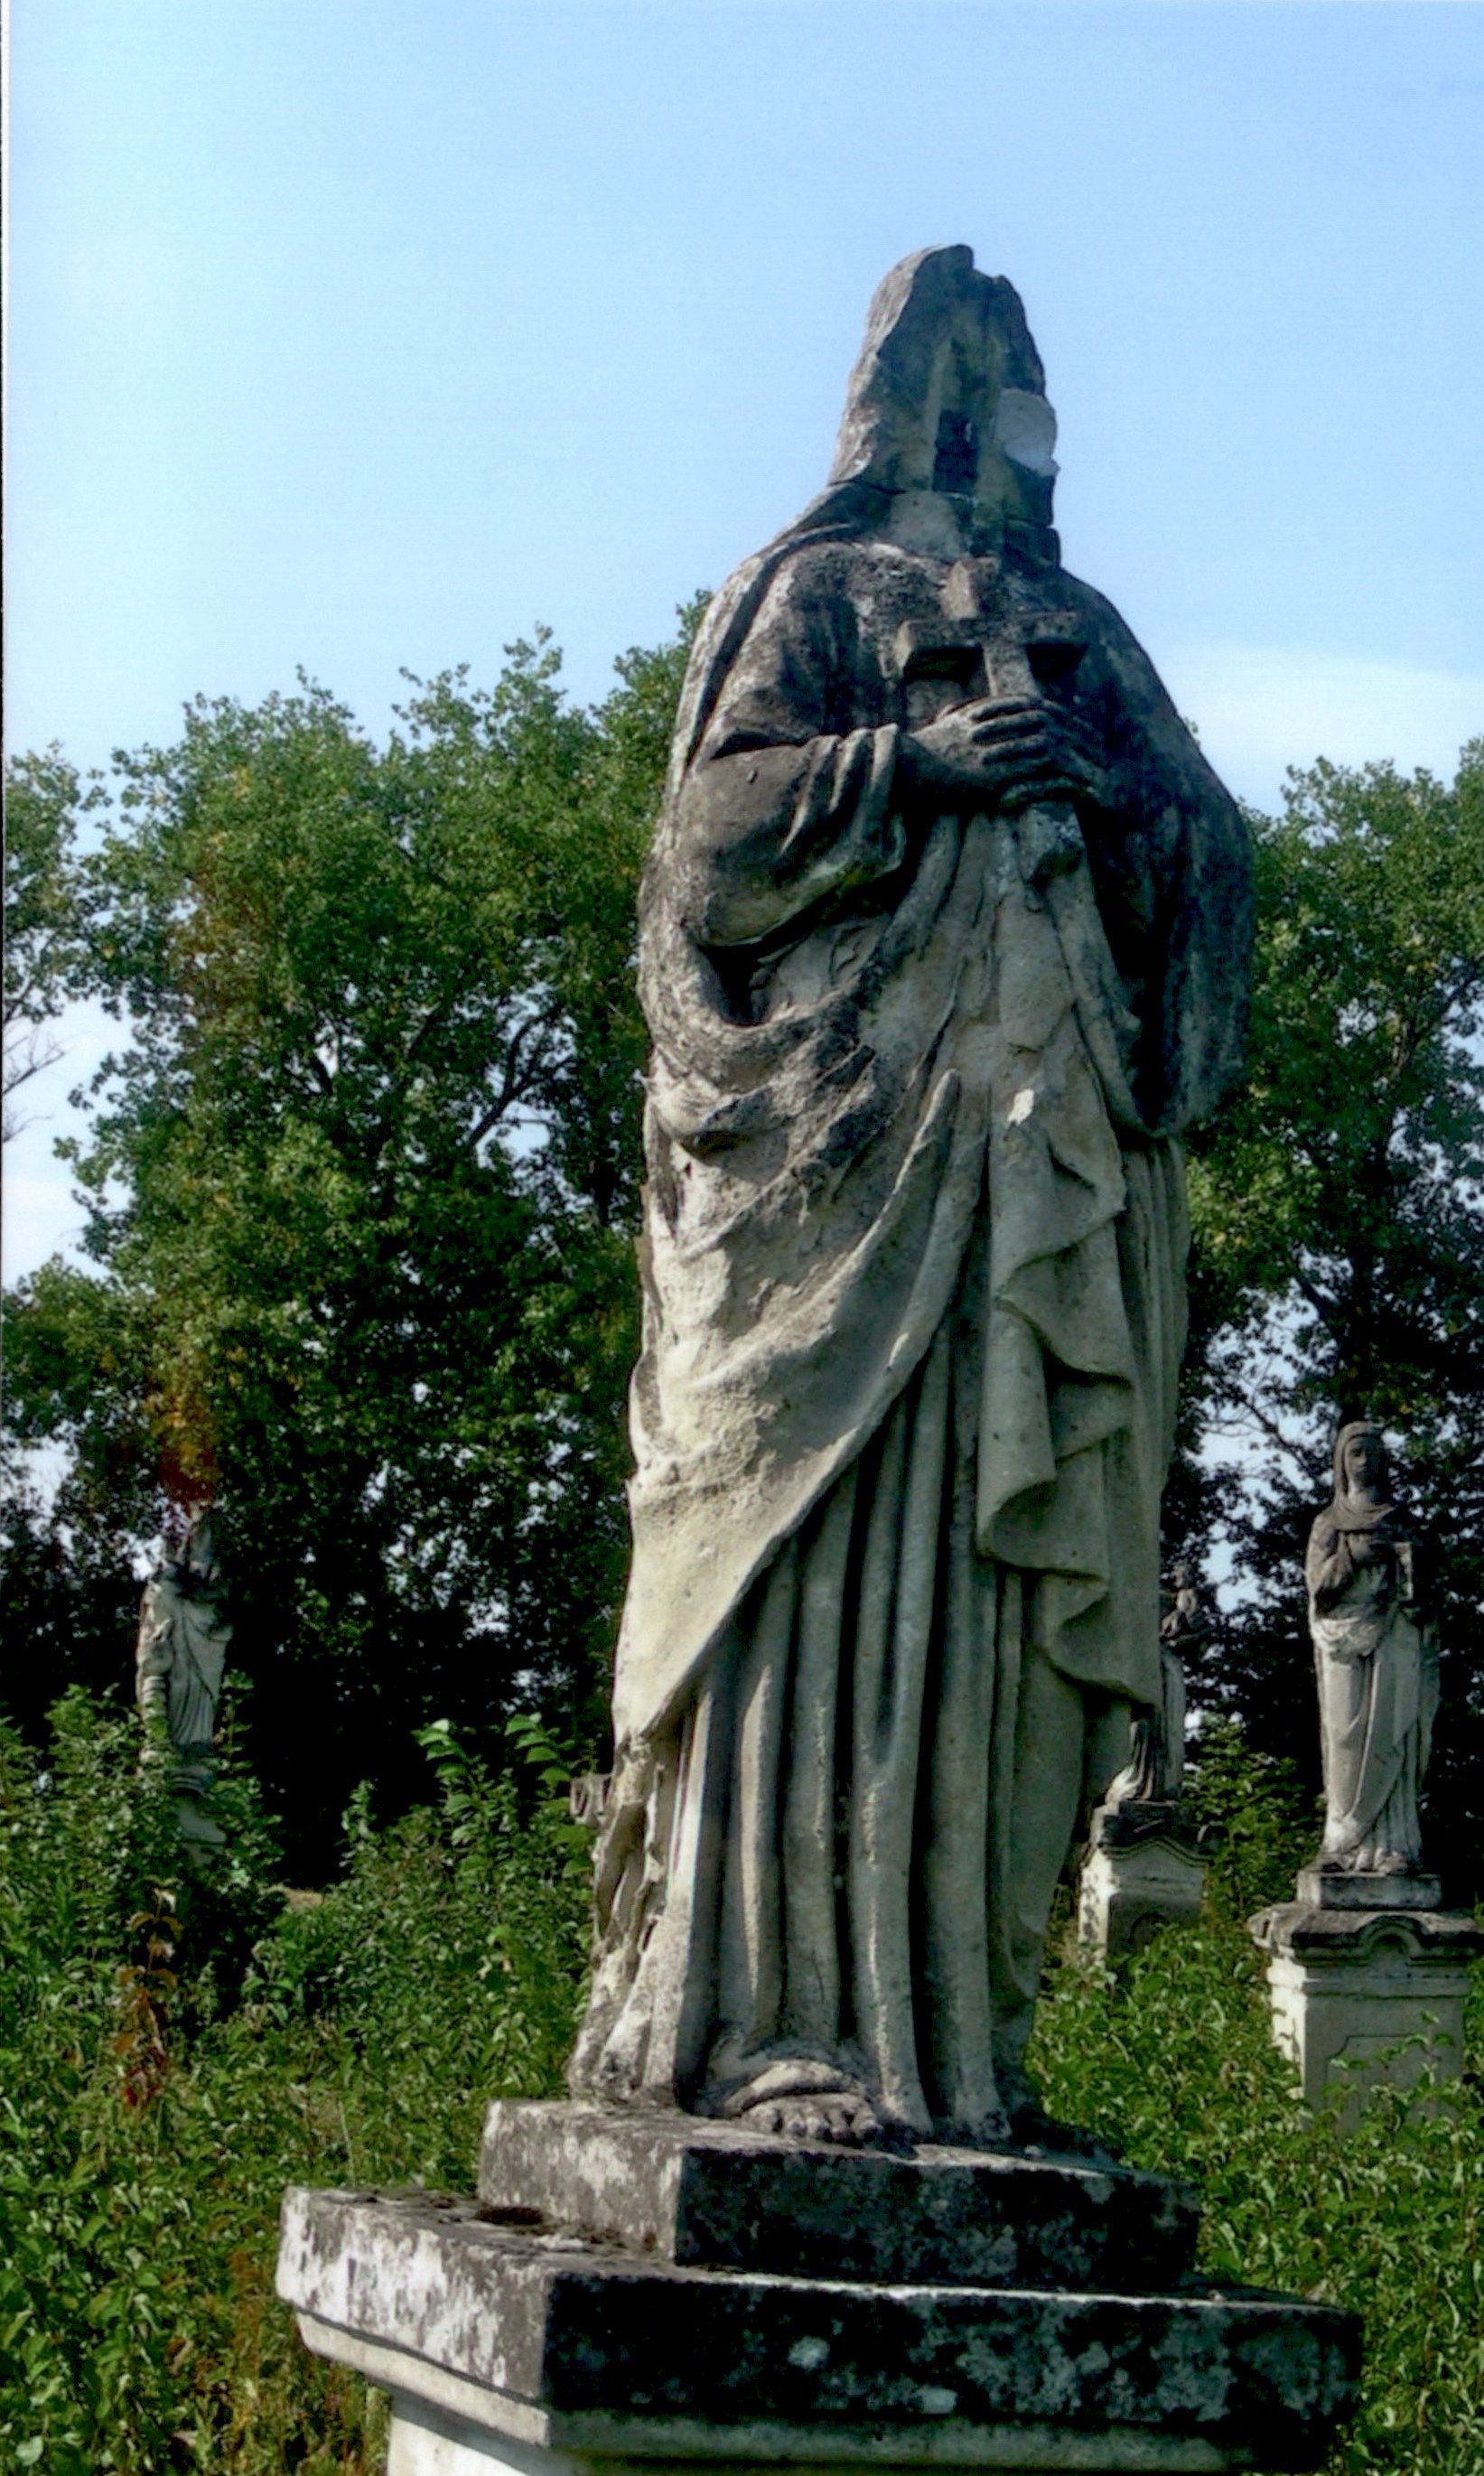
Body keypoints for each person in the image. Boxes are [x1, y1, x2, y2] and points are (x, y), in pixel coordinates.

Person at [569, 246, 1252, 2146]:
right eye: (939, 367)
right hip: (842, 1171)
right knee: (815, 1569)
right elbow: (708, 848)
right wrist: (923, 762)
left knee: (984, 1581)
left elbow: (1204, 850)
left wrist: (1116, 799)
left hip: (1033, 1171)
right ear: (877, 397)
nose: (968, 405)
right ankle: (768, 2022)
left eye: (1002, 368)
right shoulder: (809, 592)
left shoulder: (1081, 625)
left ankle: (952, 2043)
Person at [1307, 1422, 1437, 1875]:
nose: (1364, 1462)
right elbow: (1316, 1587)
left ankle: (1392, 1847)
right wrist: (1354, 1558)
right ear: (1342, 1463)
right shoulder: (1328, 1523)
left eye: (1372, 1453)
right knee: (1345, 1734)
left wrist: (1411, 1577)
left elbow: (1425, 1592)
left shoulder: (1401, 1520)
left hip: (1395, 1634)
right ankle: (1342, 1843)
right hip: (1342, 1638)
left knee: (1391, 1732)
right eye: (1356, 1453)